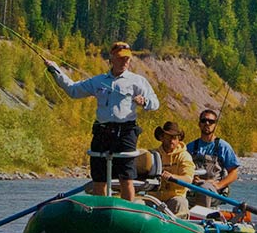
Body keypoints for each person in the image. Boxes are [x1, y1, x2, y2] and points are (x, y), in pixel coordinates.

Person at [45, 41, 159, 200]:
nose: (124, 61)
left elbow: (155, 103)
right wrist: (56, 71)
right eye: (120, 58)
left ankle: (128, 211)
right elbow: (73, 90)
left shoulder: (138, 81)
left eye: (127, 58)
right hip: (102, 131)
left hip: (126, 132)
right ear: (111, 59)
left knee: (126, 178)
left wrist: (145, 102)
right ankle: (102, 210)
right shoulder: (98, 81)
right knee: (99, 178)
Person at [186, 108, 240, 207]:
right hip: (192, 188)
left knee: (204, 188)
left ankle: (200, 218)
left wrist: (219, 185)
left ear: (215, 125)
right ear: (199, 124)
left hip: (214, 192)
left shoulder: (223, 147)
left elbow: (234, 173)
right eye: (203, 121)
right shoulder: (190, 147)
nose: (207, 123)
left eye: (211, 121)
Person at [149, 121, 195, 217]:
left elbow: (188, 179)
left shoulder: (184, 156)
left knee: (181, 203)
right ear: (161, 137)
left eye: (174, 138)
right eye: (169, 136)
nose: (172, 141)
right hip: (153, 199)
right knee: (137, 202)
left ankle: (179, 229)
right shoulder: (152, 155)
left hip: (174, 198)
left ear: (179, 140)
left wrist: (172, 177)